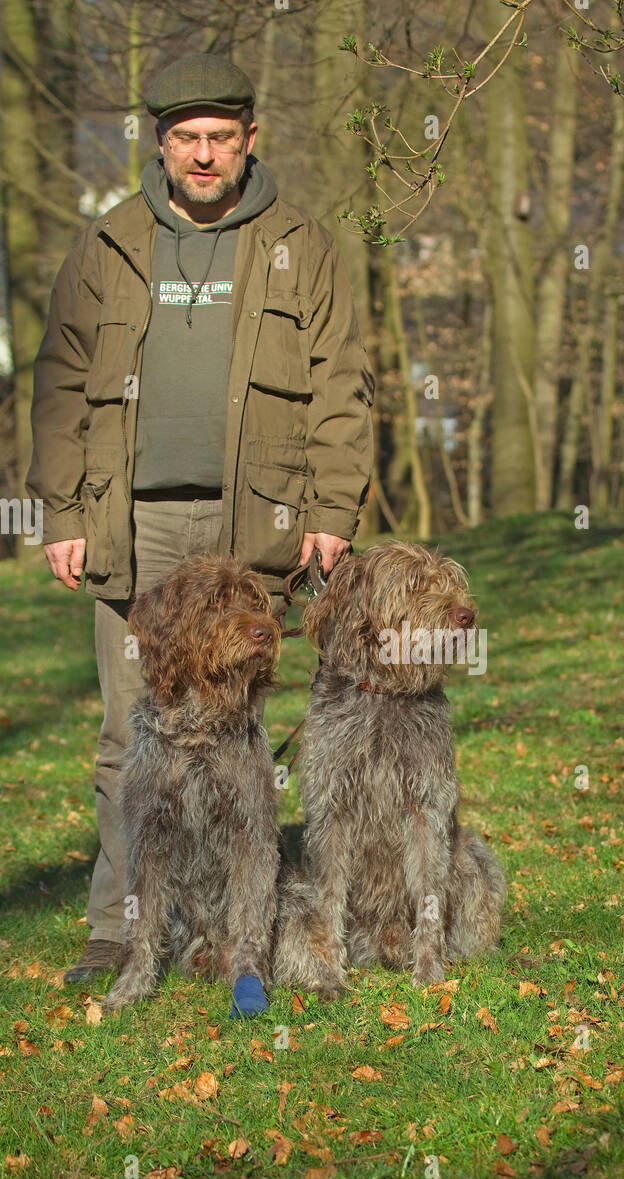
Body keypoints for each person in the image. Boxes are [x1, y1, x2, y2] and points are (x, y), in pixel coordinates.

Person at [25, 53, 375, 983]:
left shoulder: (301, 244)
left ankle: (236, 929)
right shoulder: (108, 244)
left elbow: (343, 385)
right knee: (125, 736)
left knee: (242, 739)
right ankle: (120, 928)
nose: (205, 154)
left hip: (249, 528)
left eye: (222, 137)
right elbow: (59, 384)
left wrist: (333, 508)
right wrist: (61, 509)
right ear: (161, 144)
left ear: (251, 139)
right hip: (128, 529)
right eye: (187, 138)